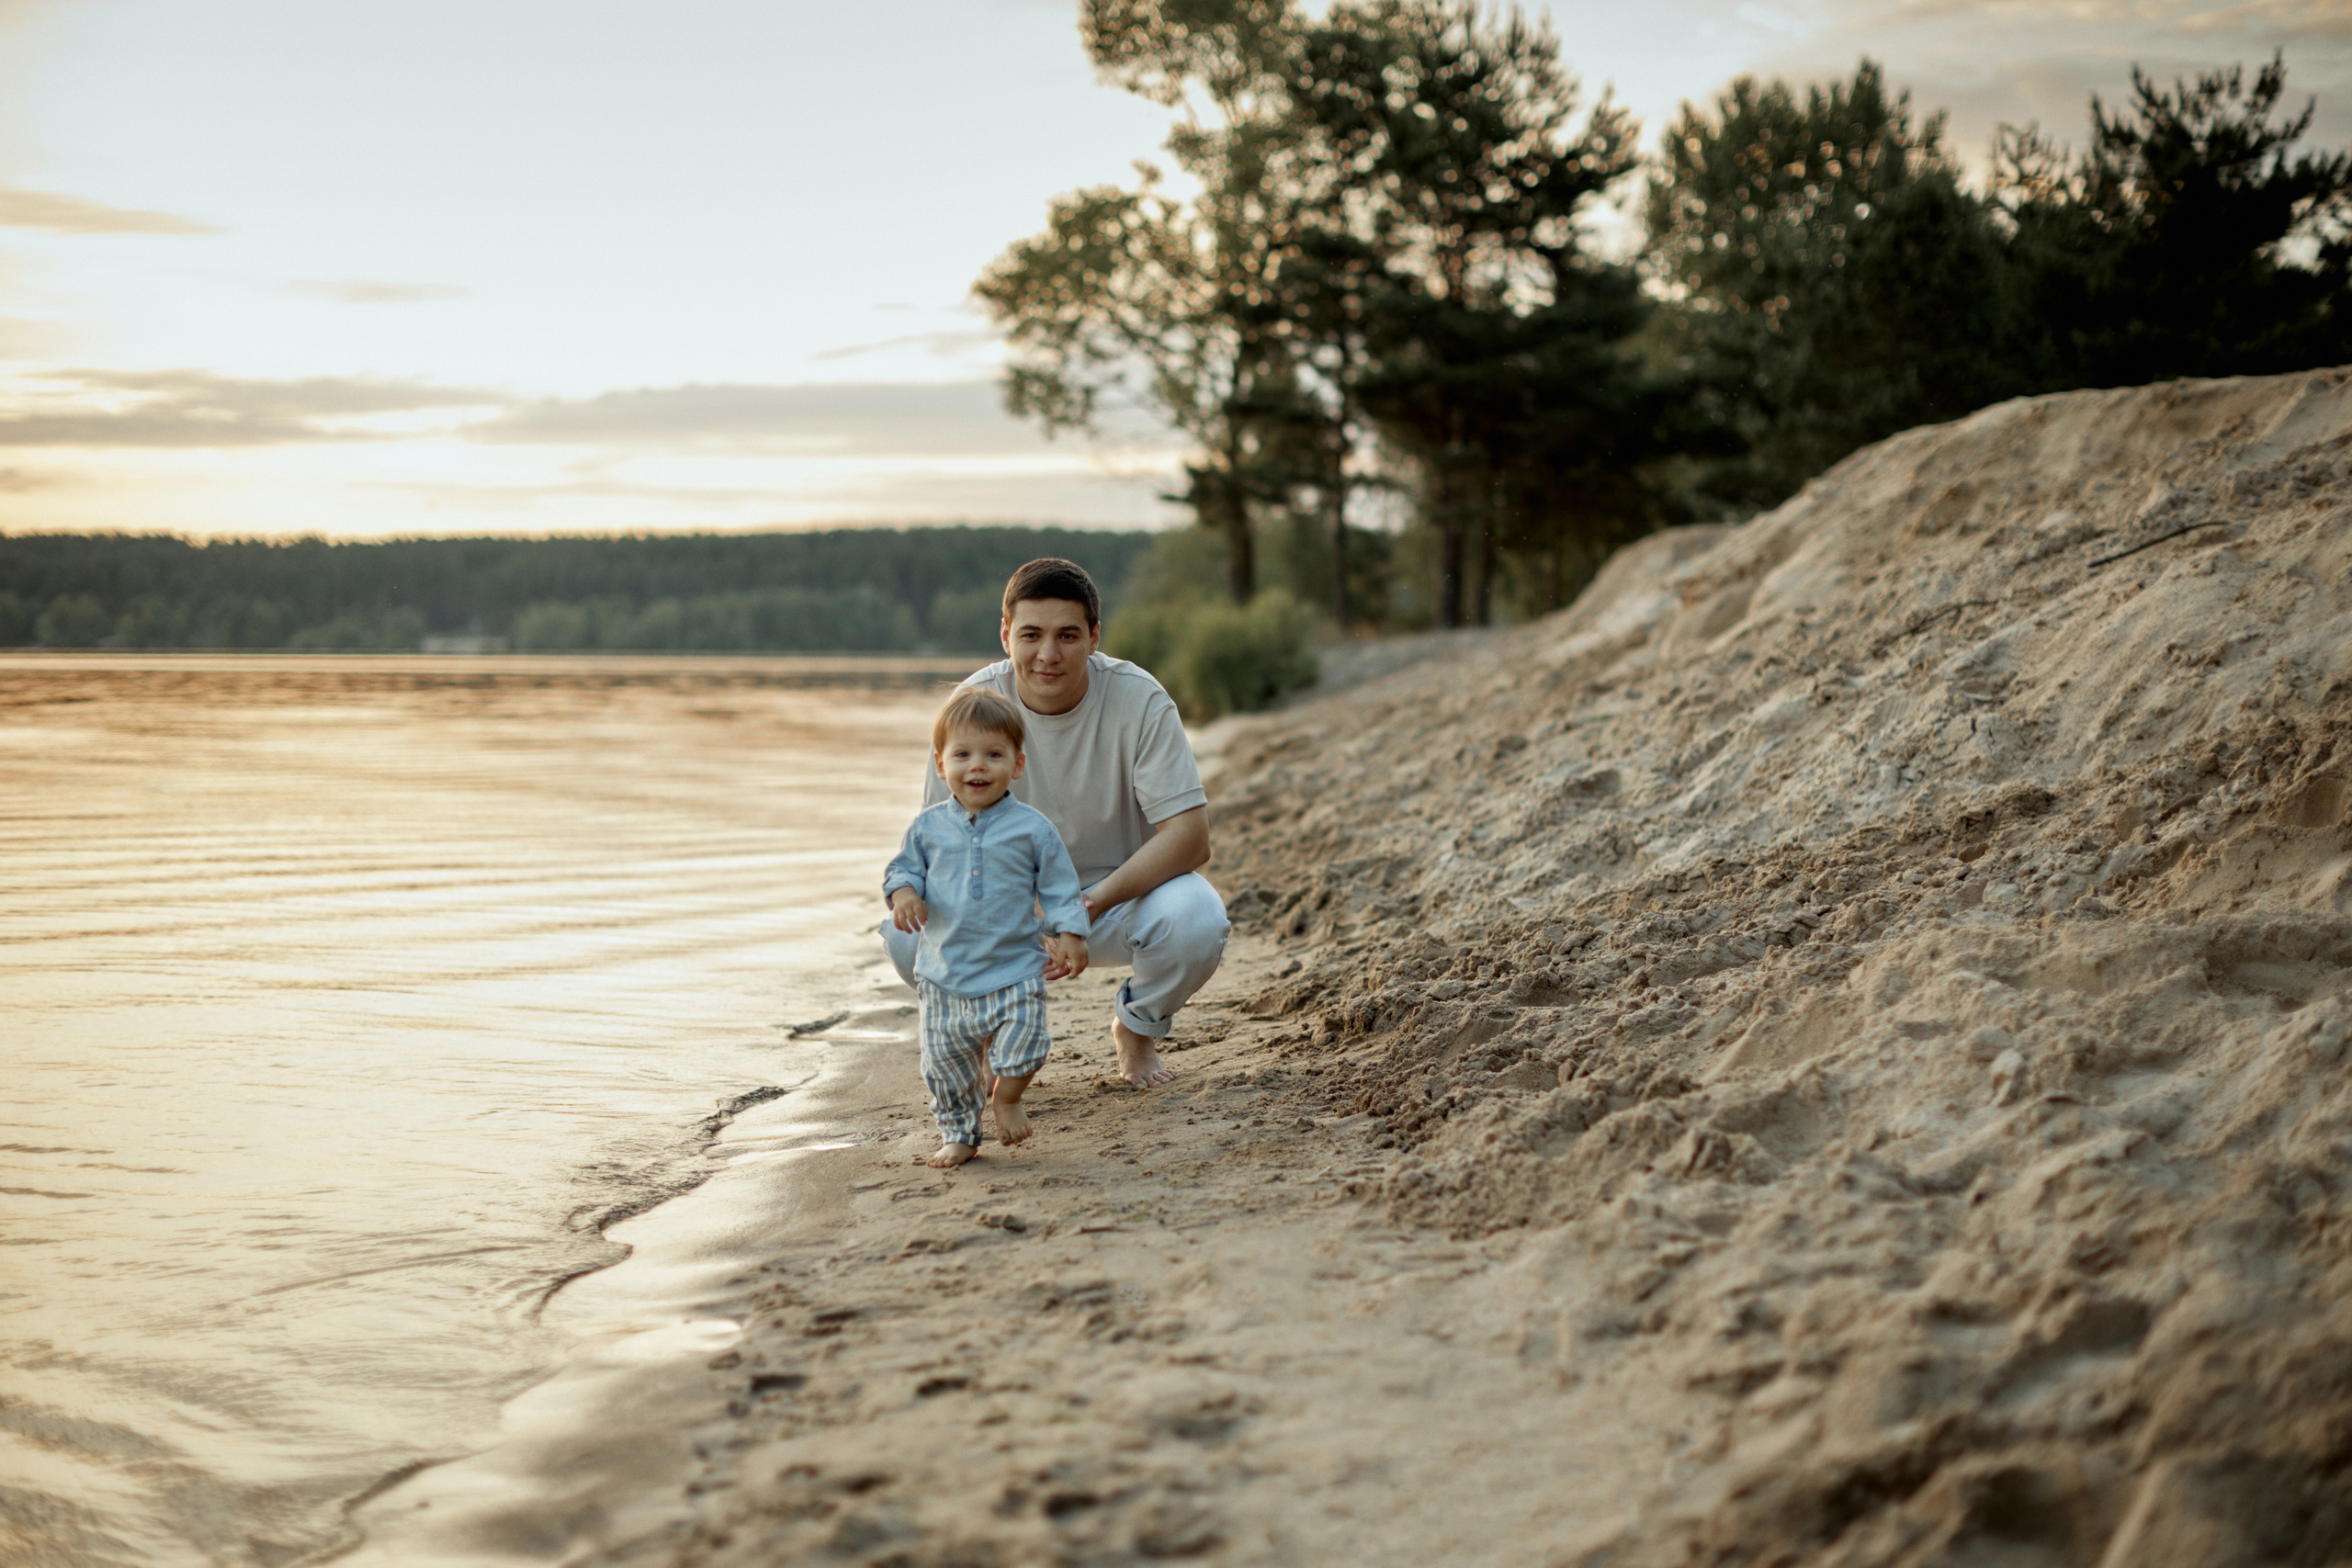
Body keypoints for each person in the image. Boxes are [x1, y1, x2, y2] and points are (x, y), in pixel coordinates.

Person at [881, 558, 1227, 1089]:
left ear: (1093, 637)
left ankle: (1137, 1028)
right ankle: (987, 1036)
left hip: (1117, 901)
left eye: (1067, 635)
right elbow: (941, 846)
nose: (1048, 654)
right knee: (907, 936)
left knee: (1197, 919)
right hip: (1009, 910)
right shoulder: (974, 706)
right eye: (1031, 635)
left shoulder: (1139, 699)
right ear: (1005, 636)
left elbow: (1190, 838)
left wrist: (1086, 905)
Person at [883, 687, 1091, 1169]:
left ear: (1017, 765)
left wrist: (1070, 934)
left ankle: (1008, 1097)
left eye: (993, 754)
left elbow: (1060, 885)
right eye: (963, 755)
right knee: (946, 1067)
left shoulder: (1032, 829)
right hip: (944, 975)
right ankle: (959, 1134)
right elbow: (903, 870)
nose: (977, 766)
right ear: (941, 766)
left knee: (1026, 1044)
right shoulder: (927, 828)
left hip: (1013, 969)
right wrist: (906, 894)